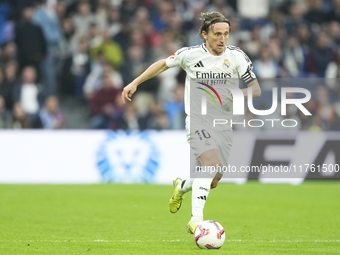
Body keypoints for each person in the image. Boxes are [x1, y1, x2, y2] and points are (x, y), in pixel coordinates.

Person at [121, 12, 261, 234]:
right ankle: (196, 221)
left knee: (213, 179)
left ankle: (181, 186)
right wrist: (135, 82)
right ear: (205, 34)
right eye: (217, 34)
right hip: (198, 121)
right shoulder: (191, 55)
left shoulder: (237, 57)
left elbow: (255, 89)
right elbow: (162, 65)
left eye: (226, 34)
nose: (222, 39)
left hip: (223, 124)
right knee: (211, 166)